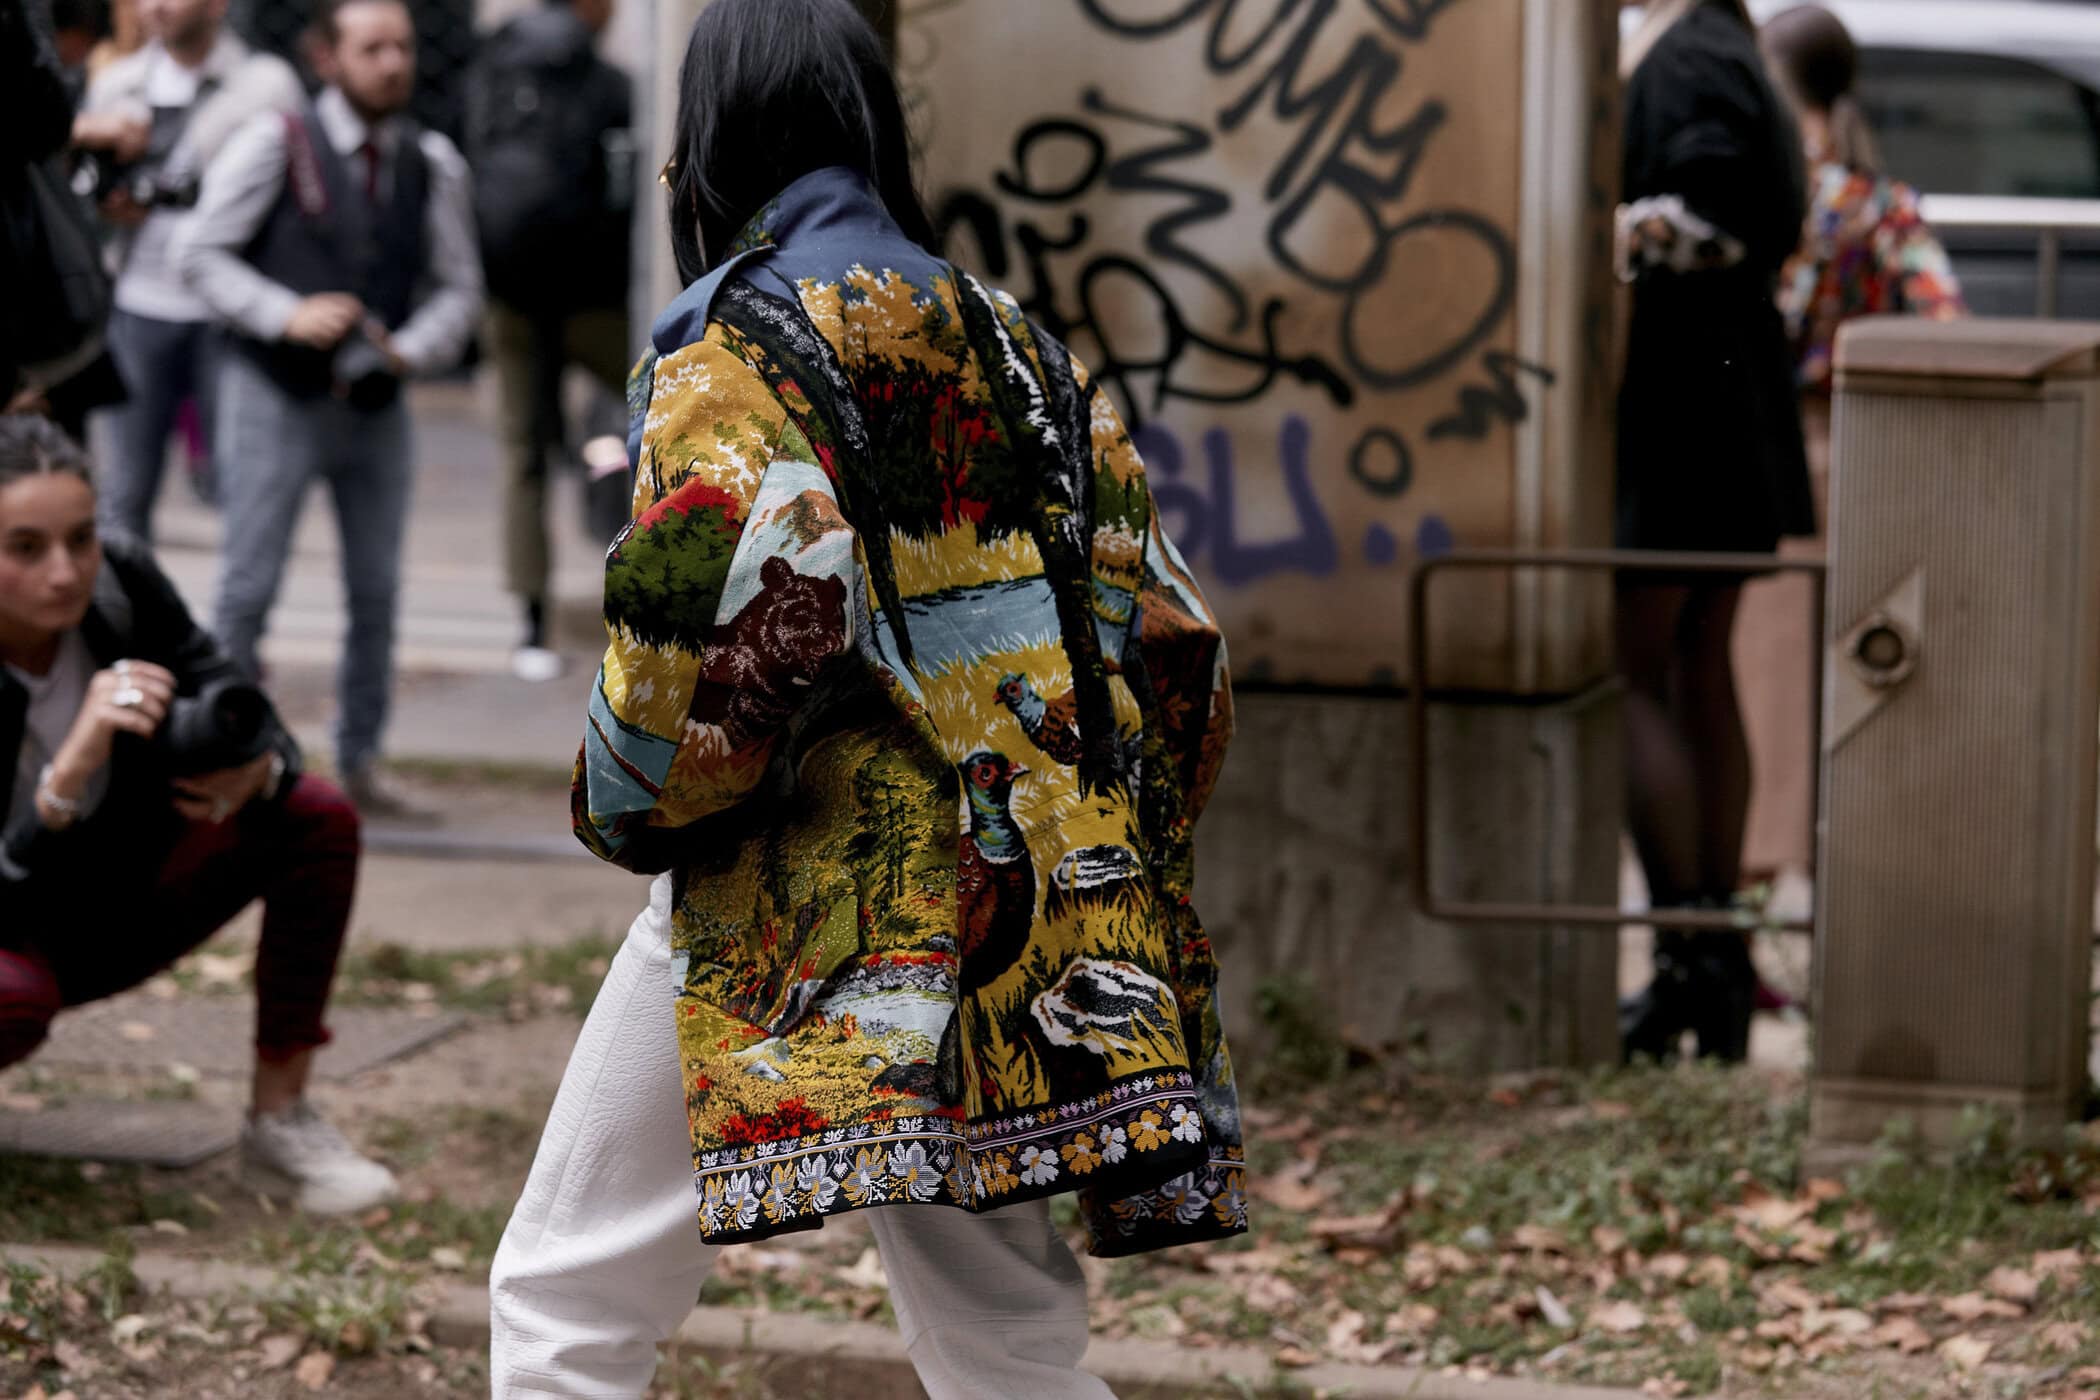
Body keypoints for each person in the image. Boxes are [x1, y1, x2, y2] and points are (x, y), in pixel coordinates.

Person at [487, 1, 1243, 1393]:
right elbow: (1175, 636)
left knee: (563, 1296)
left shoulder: (729, 350)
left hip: (811, 892)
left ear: (707, 141)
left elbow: (691, 641)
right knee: (1006, 1341)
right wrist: (1103, 835)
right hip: (1033, 904)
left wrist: (626, 801)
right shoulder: (1023, 343)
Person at [0, 414, 396, 1214]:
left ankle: (279, 1123)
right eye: (26, 548)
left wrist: (255, 769)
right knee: (11, 998)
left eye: (80, 538)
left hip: (99, 905)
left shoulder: (120, 583)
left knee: (314, 814)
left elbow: (246, 708)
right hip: (13, 933)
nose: (65, 571)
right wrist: (67, 773)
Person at [176, 0, 482, 820]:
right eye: (372, 48)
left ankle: (360, 763)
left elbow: (460, 289)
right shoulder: (275, 141)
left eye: (403, 47)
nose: (393, 63)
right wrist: (287, 314)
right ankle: (228, 759)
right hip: (271, 393)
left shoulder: (431, 161)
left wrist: (408, 349)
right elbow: (197, 251)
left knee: (376, 592)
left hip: (377, 406)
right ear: (327, 59)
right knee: (247, 587)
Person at [1615, 0, 1813, 1064]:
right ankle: (1712, 964)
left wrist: (1594, 231)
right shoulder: (1727, 45)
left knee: (1638, 664)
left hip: (1685, 401)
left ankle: (1691, 958)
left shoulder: (1689, 51)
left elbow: (1710, 212)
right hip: (1724, 398)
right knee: (1698, 663)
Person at [1728, 4, 1966, 890]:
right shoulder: (1882, 203)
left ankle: (1757, 883)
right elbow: (1945, 312)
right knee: (1859, 673)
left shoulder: (1789, 197)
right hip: (1868, 453)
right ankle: (1846, 880)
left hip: (1781, 448)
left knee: (1767, 677)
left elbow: (1773, 320)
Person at [71, 0, 304, 540]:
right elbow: (81, 195)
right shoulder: (117, 83)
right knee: (124, 493)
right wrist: (107, 205)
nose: (156, 6)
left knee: (241, 486)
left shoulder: (265, 84)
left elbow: (297, 194)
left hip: (230, 312)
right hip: (137, 303)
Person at [465, 0, 635, 684]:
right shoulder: (612, 84)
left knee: (523, 455)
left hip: (511, 298)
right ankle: (657, 593)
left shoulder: (493, 69)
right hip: (594, 297)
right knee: (662, 415)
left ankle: (531, 626)